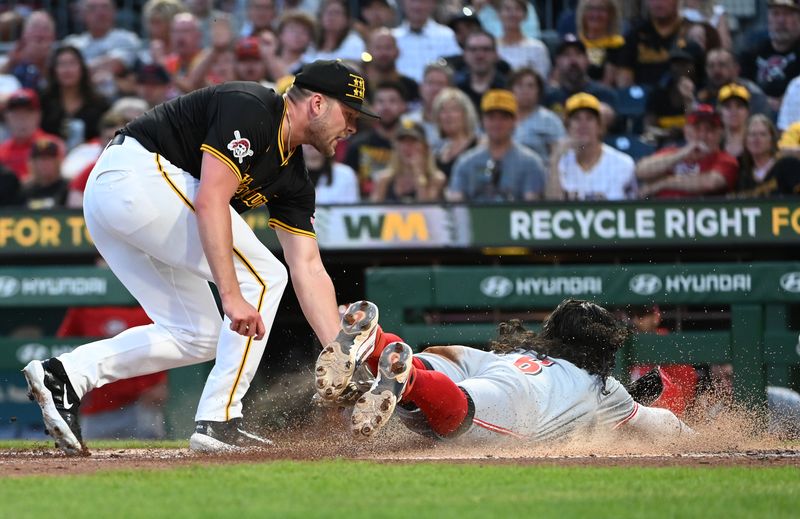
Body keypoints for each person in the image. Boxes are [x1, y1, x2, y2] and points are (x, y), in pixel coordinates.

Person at [22, 59, 379, 455]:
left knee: (199, 334)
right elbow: (210, 200)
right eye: (348, 114)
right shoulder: (252, 106)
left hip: (123, 201)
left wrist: (339, 356)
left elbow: (309, 267)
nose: (352, 127)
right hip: (135, 177)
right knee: (264, 277)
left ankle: (66, 375)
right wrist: (230, 294)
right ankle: (220, 420)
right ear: (316, 104)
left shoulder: (294, 178)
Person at [314, 299, 692, 442]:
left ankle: (377, 343)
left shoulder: (527, 347)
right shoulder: (605, 387)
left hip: (490, 363)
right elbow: (656, 422)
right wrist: (691, 436)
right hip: (519, 397)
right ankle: (407, 380)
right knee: (457, 412)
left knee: (433, 368)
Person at [56, 301, 168, 440]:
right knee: (87, 451)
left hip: (141, 400)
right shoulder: (84, 309)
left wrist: (161, 383)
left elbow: (166, 347)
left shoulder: (149, 306)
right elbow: (62, 348)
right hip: (98, 402)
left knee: (151, 448)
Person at [447, 89, 546, 202]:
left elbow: (531, 206)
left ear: (515, 121)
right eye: (491, 117)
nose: (497, 123)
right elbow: (456, 204)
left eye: (504, 117)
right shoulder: (465, 162)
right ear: (483, 121)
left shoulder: (531, 163)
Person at [546, 92, 636, 201]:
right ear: (567, 127)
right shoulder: (560, 164)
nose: (583, 124)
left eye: (589, 118)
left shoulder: (623, 163)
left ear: (600, 126)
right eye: (576, 118)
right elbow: (552, 207)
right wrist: (555, 159)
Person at [636, 104, 738, 198]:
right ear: (686, 131)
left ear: (719, 134)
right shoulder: (672, 152)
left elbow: (710, 183)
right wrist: (681, 154)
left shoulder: (726, 159)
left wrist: (663, 183)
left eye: (709, 129)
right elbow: (641, 170)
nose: (703, 135)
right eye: (697, 128)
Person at [612, 0, 700, 89]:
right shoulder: (635, 35)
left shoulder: (692, 31)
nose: (658, 2)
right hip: (643, 98)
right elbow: (624, 78)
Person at [39, 45, 111, 150]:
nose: (67, 70)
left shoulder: (99, 103)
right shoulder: (43, 101)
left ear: (82, 68)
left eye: (72, 64)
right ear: (54, 70)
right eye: (62, 64)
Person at [344, 81, 408, 196]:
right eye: (380, 101)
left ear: (403, 106)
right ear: (373, 108)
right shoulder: (357, 145)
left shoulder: (411, 144)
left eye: (392, 101)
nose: (386, 107)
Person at [739, 0, 800, 113]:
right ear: (768, 18)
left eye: (787, 14)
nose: (781, 20)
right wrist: (764, 102)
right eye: (776, 14)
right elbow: (743, 86)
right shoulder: (751, 53)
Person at [371, 119, 446, 202]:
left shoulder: (436, 179)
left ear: (425, 147)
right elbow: (374, 211)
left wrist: (419, 173)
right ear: (395, 147)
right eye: (402, 141)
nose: (407, 147)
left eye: (413, 141)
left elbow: (427, 208)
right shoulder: (383, 180)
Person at [0, 88, 63, 181]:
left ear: (38, 115)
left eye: (27, 113)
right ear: (7, 117)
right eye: (16, 114)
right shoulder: (2, 151)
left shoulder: (52, 146)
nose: (22, 119)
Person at [392, 0, 461, 83]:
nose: (417, 6)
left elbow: (453, 69)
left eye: (423, 1)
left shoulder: (446, 35)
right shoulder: (393, 37)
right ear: (403, 3)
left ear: (433, 3)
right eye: (412, 1)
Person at [510, 67, 565, 162]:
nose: (525, 90)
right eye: (519, 85)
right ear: (511, 90)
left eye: (530, 86)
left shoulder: (549, 120)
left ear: (538, 91)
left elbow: (562, 152)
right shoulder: (500, 118)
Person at [696, 48, 771, 118]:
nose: (716, 70)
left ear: (736, 68)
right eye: (711, 66)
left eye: (722, 65)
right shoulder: (702, 97)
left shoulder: (751, 93)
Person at [431, 87, 480, 179]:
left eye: (454, 109)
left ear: (466, 115)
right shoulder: (437, 153)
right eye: (443, 110)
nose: (448, 115)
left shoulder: (479, 146)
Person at [0, 11, 56, 90]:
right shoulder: (10, 58)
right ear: (24, 34)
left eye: (45, 28)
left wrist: (43, 63)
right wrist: (11, 62)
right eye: (35, 27)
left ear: (53, 37)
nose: (40, 33)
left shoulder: (58, 60)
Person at [455, 30, 509, 114]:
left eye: (486, 49)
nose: (480, 55)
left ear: (496, 54)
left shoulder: (509, 88)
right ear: (464, 55)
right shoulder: (455, 88)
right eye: (473, 49)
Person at [405, 62, 455, 151]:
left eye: (440, 84)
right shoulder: (407, 121)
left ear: (451, 89)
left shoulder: (461, 124)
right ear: (421, 87)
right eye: (430, 83)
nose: (435, 89)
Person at [496, 0, 550, 78]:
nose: (512, 14)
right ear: (498, 14)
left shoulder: (537, 48)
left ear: (525, 15)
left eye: (517, 9)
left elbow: (541, 79)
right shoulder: (491, 48)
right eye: (507, 9)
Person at [575, 0, 625, 84]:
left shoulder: (620, 45)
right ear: (583, 13)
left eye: (601, 9)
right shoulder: (575, 45)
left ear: (611, 14)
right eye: (590, 8)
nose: (596, 14)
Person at [734, 114, 781, 198]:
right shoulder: (741, 172)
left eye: (762, 134)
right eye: (752, 134)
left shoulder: (784, 166)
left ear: (771, 140)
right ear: (745, 141)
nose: (757, 139)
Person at [19, 136, 69, 210]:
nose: (44, 164)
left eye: (49, 159)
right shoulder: (23, 190)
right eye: (39, 160)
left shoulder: (67, 188)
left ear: (58, 162)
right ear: (31, 163)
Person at [718, 83, 750, 159]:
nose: (734, 111)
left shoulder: (755, 141)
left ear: (747, 112)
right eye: (728, 106)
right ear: (720, 112)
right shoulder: (714, 143)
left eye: (739, 106)